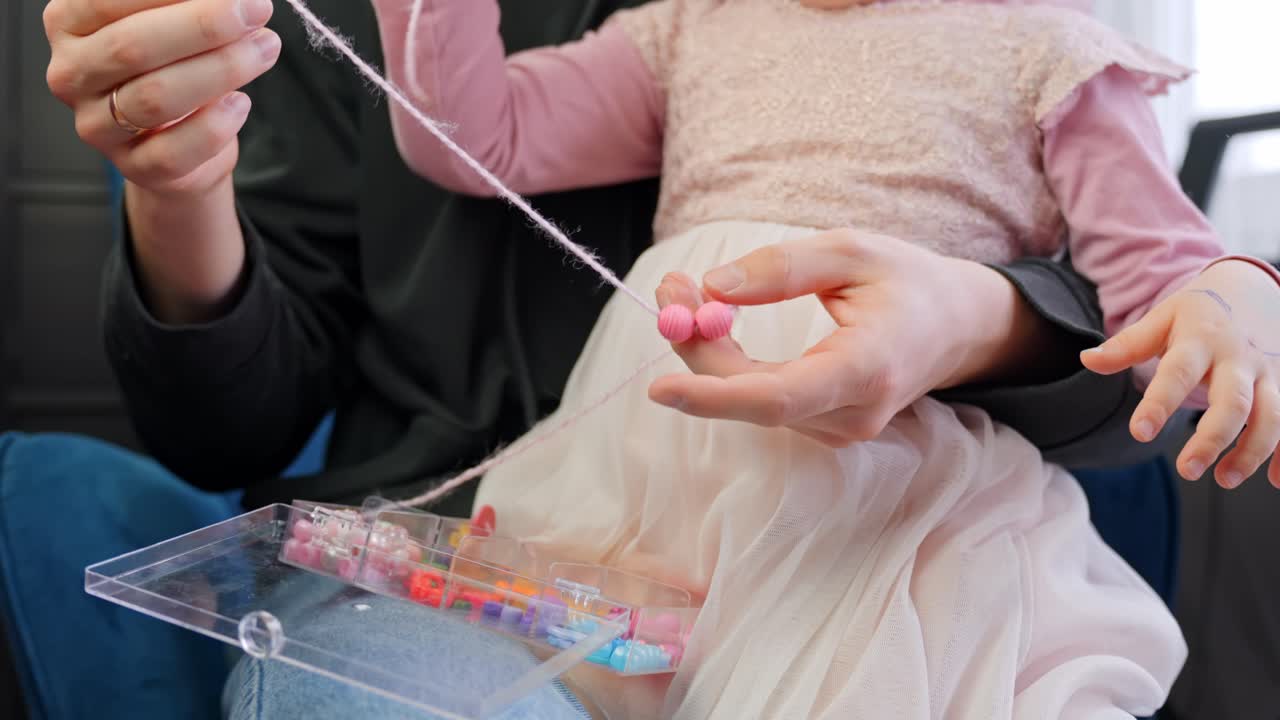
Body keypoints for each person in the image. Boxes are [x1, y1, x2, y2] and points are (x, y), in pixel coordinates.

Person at [6, 0, 1181, 717]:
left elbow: (1145, 324)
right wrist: (178, 187)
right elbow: (236, 414)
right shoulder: (687, 33)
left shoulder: (1038, 52)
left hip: (866, 523)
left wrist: (985, 317)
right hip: (495, 552)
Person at [371, 0, 1280, 715]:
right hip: (651, 473)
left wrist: (1231, 294)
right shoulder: (689, 28)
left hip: (873, 486)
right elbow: (477, 136)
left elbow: (1158, 280)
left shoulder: (1052, 53)